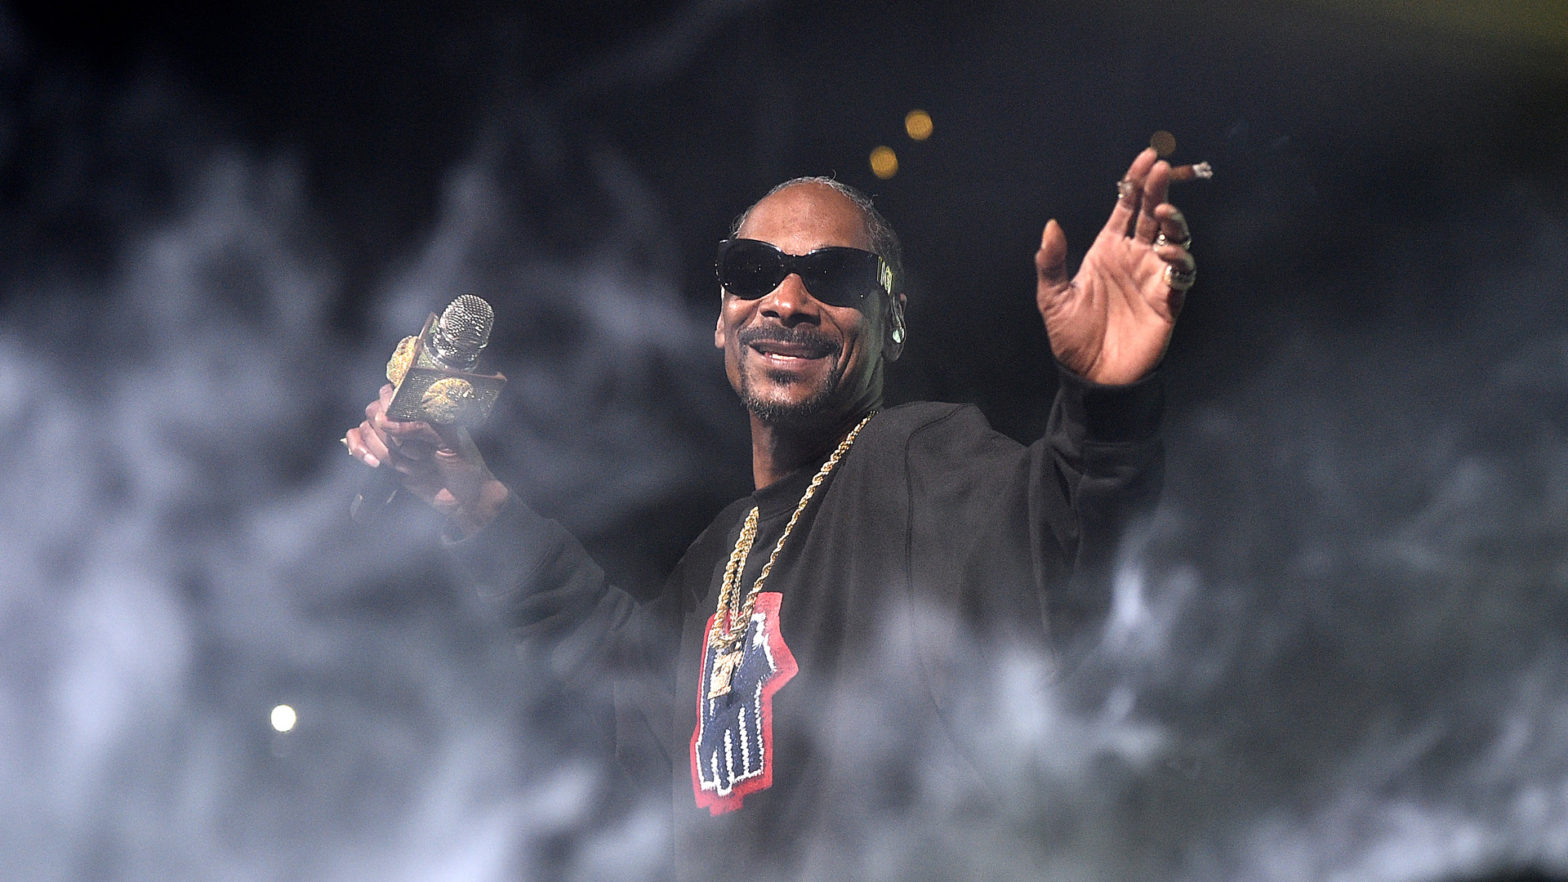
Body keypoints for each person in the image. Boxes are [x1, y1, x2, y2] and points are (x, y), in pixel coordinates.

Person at [344, 147, 1195, 876]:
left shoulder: (917, 461)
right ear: (722, 318)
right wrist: (475, 504)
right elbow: (624, 673)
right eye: (753, 271)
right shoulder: (724, 554)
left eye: (834, 276)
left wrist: (1107, 405)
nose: (786, 300)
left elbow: (1068, 549)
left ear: (893, 322)